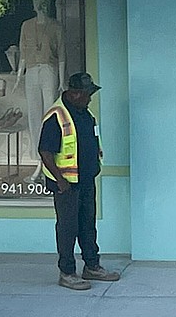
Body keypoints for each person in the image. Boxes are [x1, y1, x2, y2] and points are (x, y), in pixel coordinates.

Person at [39, 72, 120, 291]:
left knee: (87, 224)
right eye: (87, 94)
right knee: (68, 228)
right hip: (67, 185)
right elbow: (45, 152)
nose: (90, 98)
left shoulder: (84, 113)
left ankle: (92, 265)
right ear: (74, 94)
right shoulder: (57, 116)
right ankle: (67, 272)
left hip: (85, 180)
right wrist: (60, 180)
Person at [15, 0, 65, 166]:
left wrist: (62, 81)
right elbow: (23, 52)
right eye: (36, 1)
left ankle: (50, 151)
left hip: (48, 69)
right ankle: (37, 154)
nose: (39, 4)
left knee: (49, 112)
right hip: (31, 70)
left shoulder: (56, 26)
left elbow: (62, 55)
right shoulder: (26, 25)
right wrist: (18, 76)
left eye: (42, 1)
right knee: (34, 112)